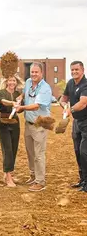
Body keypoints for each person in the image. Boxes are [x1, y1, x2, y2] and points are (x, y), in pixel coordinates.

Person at [15, 62, 52, 192]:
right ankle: (33, 175)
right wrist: (20, 98)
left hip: (40, 124)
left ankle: (40, 181)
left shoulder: (45, 88)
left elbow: (37, 105)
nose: (34, 74)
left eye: (36, 72)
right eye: (32, 72)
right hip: (28, 124)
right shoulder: (29, 82)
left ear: (41, 73)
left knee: (39, 154)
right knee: (30, 152)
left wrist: (22, 107)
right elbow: (24, 94)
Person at [59, 61, 87, 192]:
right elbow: (63, 98)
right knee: (77, 151)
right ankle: (82, 180)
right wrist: (64, 105)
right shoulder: (70, 83)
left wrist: (70, 110)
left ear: (83, 70)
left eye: (77, 69)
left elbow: (82, 103)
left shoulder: (85, 85)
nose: (74, 72)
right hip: (77, 122)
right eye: (72, 70)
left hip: (86, 121)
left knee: (84, 152)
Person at [0, 75, 24, 187]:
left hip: (15, 122)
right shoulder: (2, 92)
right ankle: (8, 178)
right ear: (6, 82)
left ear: (16, 82)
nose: (12, 82)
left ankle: (8, 174)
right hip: (3, 122)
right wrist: (12, 103)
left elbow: (20, 109)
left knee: (14, 148)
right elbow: (2, 101)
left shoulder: (17, 94)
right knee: (7, 149)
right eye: (10, 80)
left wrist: (19, 104)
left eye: (14, 80)